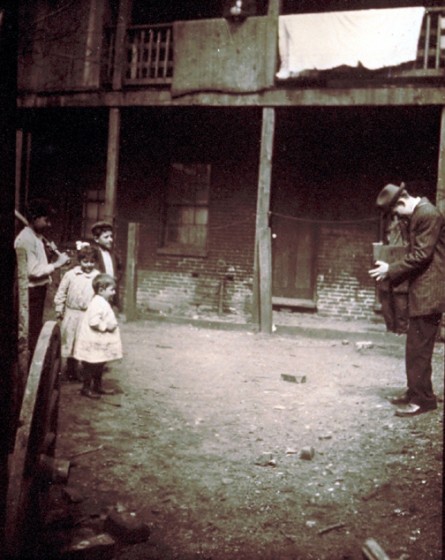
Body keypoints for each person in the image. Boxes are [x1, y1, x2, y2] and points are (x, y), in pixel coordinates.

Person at [369, 183, 445, 417]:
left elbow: (422, 255)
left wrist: (391, 270)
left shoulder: (427, 214)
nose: (396, 218)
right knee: (415, 347)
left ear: (401, 203)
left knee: (419, 348)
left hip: (430, 290)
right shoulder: (420, 214)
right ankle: (416, 392)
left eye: (395, 213)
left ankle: (423, 400)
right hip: (424, 289)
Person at [14, 199, 70, 359]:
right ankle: (29, 370)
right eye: (46, 220)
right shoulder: (25, 239)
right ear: (35, 218)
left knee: (36, 329)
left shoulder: (37, 237)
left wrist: (50, 254)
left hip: (39, 291)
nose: (49, 224)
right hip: (30, 293)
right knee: (30, 333)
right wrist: (57, 264)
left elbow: (39, 262)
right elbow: (32, 271)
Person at [54, 245, 100, 381]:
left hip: (87, 314)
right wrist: (59, 308)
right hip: (71, 313)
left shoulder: (97, 276)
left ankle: (85, 373)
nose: (89, 265)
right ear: (80, 261)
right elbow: (61, 292)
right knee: (70, 341)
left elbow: (100, 296)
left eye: (92, 262)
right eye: (85, 261)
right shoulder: (71, 275)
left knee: (85, 342)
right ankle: (71, 370)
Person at [74, 273, 123, 399]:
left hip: (98, 341)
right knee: (90, 365)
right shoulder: (97, 303)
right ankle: (86, 388)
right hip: (93, 341)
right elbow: (94, 322)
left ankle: (97, 386)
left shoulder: (102, 301)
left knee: (99, 364)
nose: (114, 292)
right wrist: (106, 326)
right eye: (111, 290)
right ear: (101, 290)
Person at [91, 221, 122, 309]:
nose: (110, 239)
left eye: (111, 236)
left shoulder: (113, 254)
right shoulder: (93, 254)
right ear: (96, 239)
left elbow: (119, 269)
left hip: (110, 292)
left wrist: (115, 279)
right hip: (98, 293)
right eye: (106, 237)